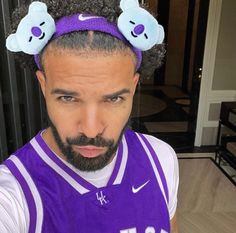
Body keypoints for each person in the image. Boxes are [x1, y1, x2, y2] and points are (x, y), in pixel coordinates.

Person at [0, 0, 179, 232]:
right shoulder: (14, 193)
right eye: (68, 98)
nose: (92, 130)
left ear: (133, 87)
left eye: (114, 99)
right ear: (43, 86)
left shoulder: (161, 159)